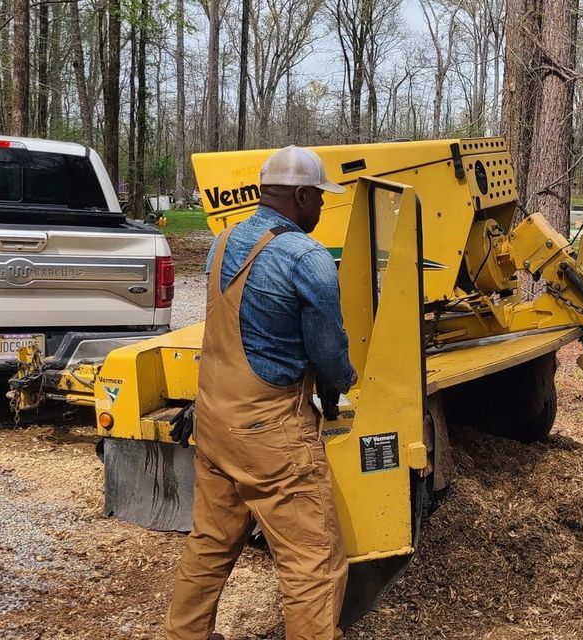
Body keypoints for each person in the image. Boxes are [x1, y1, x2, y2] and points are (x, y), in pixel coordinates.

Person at [165, 146, 356, 640]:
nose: (321, 208)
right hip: (272, 437)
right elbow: (329, 351)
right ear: (300, 196)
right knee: (313, 560)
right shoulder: (307, 257)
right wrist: (344, 384)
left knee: (209, 545)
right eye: (319, 198)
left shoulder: (223, 241)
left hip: (213, 422)